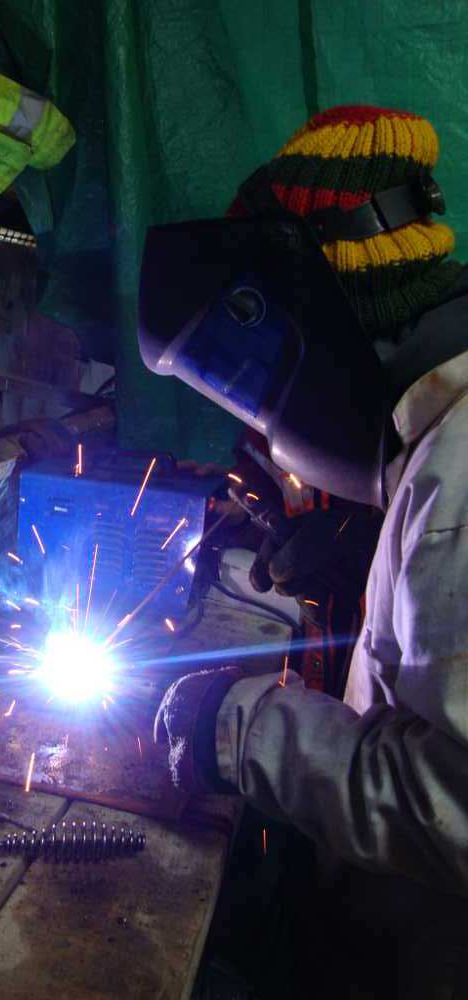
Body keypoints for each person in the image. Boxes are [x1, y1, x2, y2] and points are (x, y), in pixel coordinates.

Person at [138, 105, 468, 997]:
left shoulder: (461, 475)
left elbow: (459, 807)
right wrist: (359, 557)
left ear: (322, 308)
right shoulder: (438, 438)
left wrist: (241, 729)